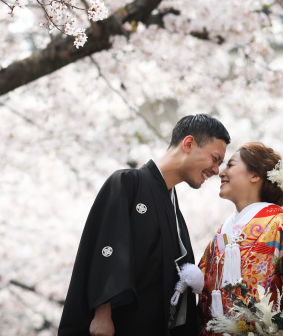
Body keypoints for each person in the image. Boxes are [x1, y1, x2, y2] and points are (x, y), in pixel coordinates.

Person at [59, 114, 230, 336]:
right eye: (214, 158)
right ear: (188, 144)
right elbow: (106, 248)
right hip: (119, 326)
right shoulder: (128, 183)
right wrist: (103, 314)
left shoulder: (174, 208)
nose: (216, 170)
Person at [197, 142, 283, 335]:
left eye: (231, 165)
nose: (221, 173)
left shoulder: (280, 225)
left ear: (255, 175)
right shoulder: (222, 233)